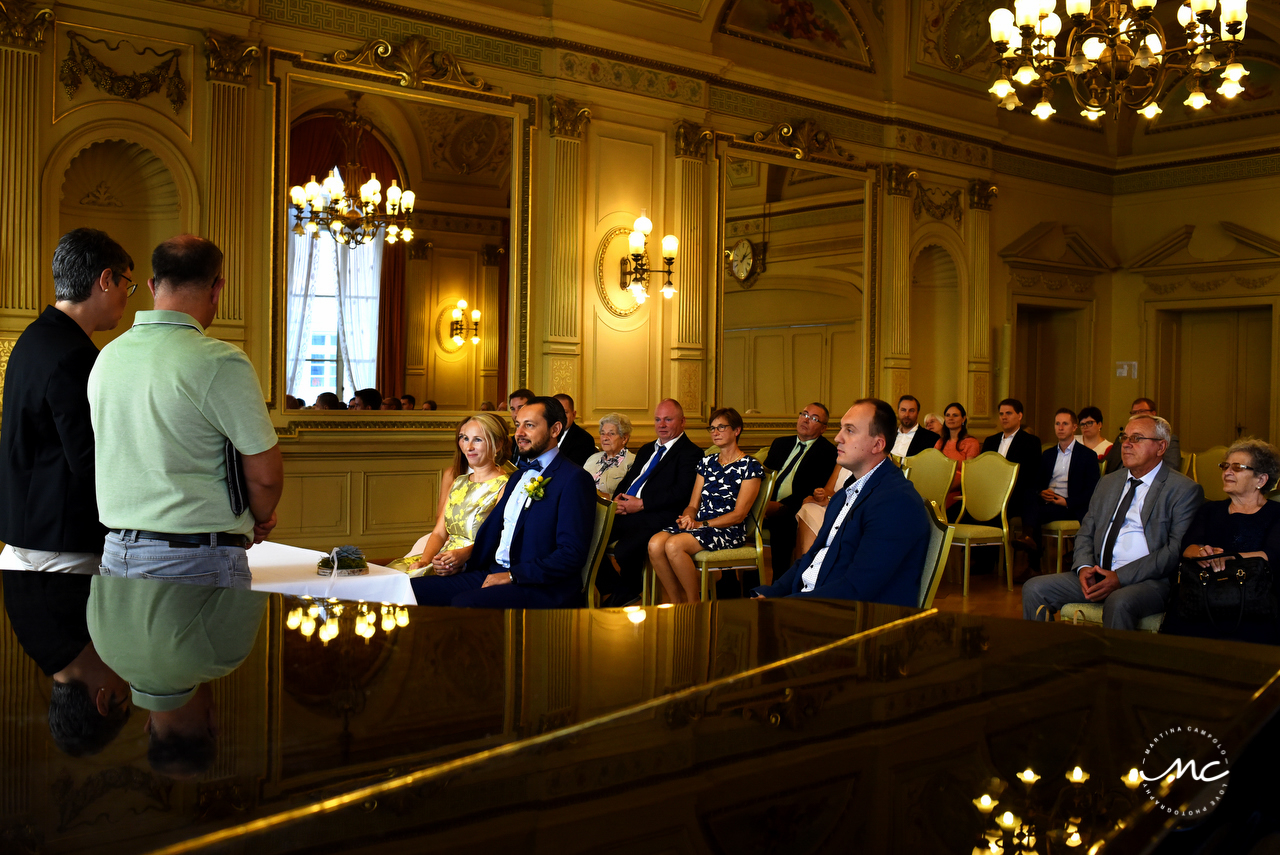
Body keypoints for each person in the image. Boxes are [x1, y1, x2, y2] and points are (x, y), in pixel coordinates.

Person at [88, 236, 283, 589]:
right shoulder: (220, 361)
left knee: (126, 648)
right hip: (194, 558)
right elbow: (265, 476)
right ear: (217, 289)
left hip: (117, 552)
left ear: (151, 285)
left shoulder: (107, 357)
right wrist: (261, 516)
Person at [0, 228, 134, 573]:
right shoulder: (74, 354)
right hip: (62, 545)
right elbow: (89, 459)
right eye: (127, 286)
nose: (127, 297)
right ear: (106, 279)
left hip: (23, 535)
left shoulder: (32, 338)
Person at [1022, 413, 1203, 630]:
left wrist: (1120, 578)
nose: (1126, 444)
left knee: (1120, 601)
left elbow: (1174, 550)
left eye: (1136, 438)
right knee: (1034, 588)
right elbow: (1086, 531)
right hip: (1097, 574)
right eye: (1124, 438)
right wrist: (1084, 567)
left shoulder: (1183, 490)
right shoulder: (1108, 482)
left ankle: (1114, 663)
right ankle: (1042, 661)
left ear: (1161, 447)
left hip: (1149, 582)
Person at [411, 397, 596, 608]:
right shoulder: (517, 477)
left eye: (529, 425)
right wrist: (463, 561)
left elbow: (571, 554)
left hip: (539, 585)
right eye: (518, 425)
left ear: (555, 430)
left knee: (464, 603)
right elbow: (494, 536)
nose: (519, 433)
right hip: (492, 571)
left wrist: (513, 576)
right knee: (411, 590)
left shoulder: (573, 479)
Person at [753, 398, 932, 604]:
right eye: (841, 429)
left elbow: (858, 588)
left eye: (850, 430)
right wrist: (771, 593)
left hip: (855, 621)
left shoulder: (896, 502)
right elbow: (812, 558)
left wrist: (787, 604)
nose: (838, 438)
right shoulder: (844, 495)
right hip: (817, 604)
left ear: (878, 444)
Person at [87, 574, 268, 777]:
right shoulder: (104, 648)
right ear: (148, 725)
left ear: (212, 722)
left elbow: (258, 571)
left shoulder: (221, 658)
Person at [1161, 439, 1280, 644]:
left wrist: (1226, 558)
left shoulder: (1276, 513)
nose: (1227, 472)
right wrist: (1202, 553)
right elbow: (1187, 547)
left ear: (1261, 479)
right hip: (1203, 596)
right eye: (1225, 466)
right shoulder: (1209, 510)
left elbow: (1271, 555)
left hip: (1255, 600)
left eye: (1237, 467)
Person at [2, 570, 131, 756]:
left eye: (124, 693)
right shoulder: (32, 640)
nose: (126, 680)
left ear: (101, 700)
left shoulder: (74, 620)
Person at [648, 408, 764, 603]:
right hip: (700, 527)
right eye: (712, 428)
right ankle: (677, 604)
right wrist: (688, 517)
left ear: (736, 431)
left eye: (721, 427)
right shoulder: (707, 462)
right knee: (655, 543)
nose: (715, 432)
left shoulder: (750, 466)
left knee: (674, 545)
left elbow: (739, 515)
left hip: (728, 530)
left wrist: (703, 525)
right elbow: (693, 504)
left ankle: (694, 604)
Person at [601, 399, 703, 606]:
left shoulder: (691, 453)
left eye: (668, 419)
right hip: (627, 511)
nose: (661, 425)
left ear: (682, 422)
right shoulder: (648, 449)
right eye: (657, 419)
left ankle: (628, 591)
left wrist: (642, 504)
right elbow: (629, 480)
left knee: (625, 550)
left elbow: (681, 493)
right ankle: (618, 590)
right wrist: (618, 500)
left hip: (659, 515)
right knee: (586, 535)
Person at [403, 413, 511, 577]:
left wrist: (464, 556)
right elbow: (439, 533)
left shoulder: (505, 486)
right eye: (465, 438)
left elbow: (496, 539)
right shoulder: (459, 482)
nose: (469, 447)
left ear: (497, 445)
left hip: (475, 565)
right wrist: (425, 562)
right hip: (441, 561)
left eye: (478, 440)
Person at [761, 403, 838, 583]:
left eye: (814, 418)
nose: (805, 419)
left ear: (823, 428)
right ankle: (746, 585)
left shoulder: (827, 452)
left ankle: (779, 584)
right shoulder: (780, 443)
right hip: (764, 506)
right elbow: (763, 478)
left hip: (793, 507)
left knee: (782, 522)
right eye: (804, 414)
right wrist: (761, 504)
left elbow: (811, 489)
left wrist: (779, 506)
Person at [1020, 408, 1101, 568]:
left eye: (1065, 424)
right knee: (1028, 495)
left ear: (1074, 427)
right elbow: (1038, 482)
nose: (1060, 427)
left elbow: (1093, 490)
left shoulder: (1087, 455)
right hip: (1047, 502)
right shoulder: (1048, 454)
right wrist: (1041, 492)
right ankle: (1030, 544)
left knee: (1034, 513)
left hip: (1070, 506)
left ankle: (1032, 560)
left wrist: (1067, 501)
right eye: (1057, 424)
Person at [981, 398, 1043, 524]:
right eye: (1001, 414)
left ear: (1019, 416)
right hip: (989, 494)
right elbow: (983, 469)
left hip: (1015, 495)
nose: (1004, 417)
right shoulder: (990, 441)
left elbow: (1030, 474)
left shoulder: (1031, 441)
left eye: (1008, 413)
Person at [1105, 398, 1181, 474]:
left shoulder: (1167, 438)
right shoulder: (1121, 439)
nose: (1125, 444)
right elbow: (1109, 466)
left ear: (1153, 413)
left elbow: (1171, 469)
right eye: (1134, 412)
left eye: (1141, 411)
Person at [934, 402, 981, 514]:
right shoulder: (940, 442)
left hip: (958, 490)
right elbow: (933, 466)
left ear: (963, 418)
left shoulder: (971, 442)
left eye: (955, 415)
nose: (950, 418)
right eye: (948, 415)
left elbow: (969, 472)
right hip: (938, 486)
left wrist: (946, 487)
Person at [584, 413, 636, 495]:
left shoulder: (632, 462)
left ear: (624, 438)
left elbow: (631, 495)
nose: (605, 438)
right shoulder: (592, 459)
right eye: (602, 433)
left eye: (611, 434)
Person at [553, 392, 598, 466]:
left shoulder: (584, 439)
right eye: (555, 413)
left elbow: (573, 471)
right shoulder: (543, 434)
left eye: (565, 412)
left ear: (573, 415)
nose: (560, 417)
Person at [891, 395, 941, 459]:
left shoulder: (931, 438)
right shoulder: (888, 435)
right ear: (898, 411)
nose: (907, 415)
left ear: (917, 413)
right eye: (903, 410)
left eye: (911, 411)